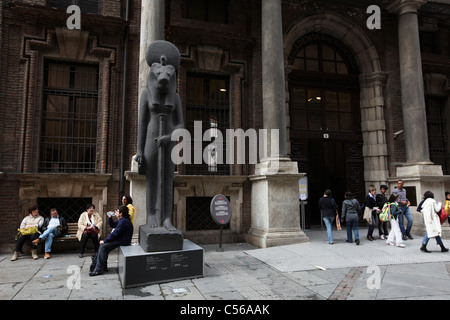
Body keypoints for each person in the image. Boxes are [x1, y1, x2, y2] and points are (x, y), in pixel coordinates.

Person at [89, 205, 133, 276]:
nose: (115, 212)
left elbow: (115, 234)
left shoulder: (124, 222)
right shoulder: (122, 220)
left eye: (117, 211)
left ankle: (99, 268)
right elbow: (113, 225)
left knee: (103, 247)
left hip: (123, 241)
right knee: (103, 247)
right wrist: (110, 218)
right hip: (120, 239)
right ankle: (99, 266)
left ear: (121, 213)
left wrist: (105, 241)